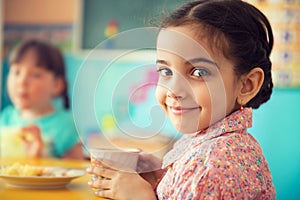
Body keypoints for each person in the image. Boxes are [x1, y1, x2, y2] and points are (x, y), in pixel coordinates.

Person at [86, 0, 276, 199]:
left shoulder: (211, 164)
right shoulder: (212, 144)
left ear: (247, 85)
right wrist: (161, 180)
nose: (174, 90)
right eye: (166, 71)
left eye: (198, 72)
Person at [0, 39, 83, 159]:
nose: (22, 82)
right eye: (17, 72)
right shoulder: (6, 117)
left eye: (36, 75)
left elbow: (76, 172)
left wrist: (40, 157)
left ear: (56, 85)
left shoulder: (65, 125)